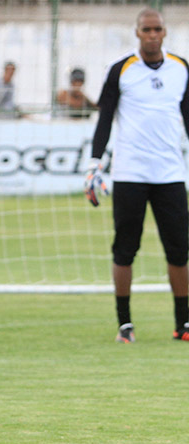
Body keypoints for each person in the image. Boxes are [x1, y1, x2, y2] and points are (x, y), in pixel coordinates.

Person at [86, 8, 189, 343]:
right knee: (125, 249)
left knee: (179, 250)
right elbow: (105, 119)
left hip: (171, 174)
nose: (152, 34)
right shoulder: (121, 70)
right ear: (137, 32)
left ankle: (183, 324)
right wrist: (94, 162)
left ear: (165, 33)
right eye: (147, 29)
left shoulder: (181, 68)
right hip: (130, 173)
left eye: (158, 29)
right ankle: (125, 324)